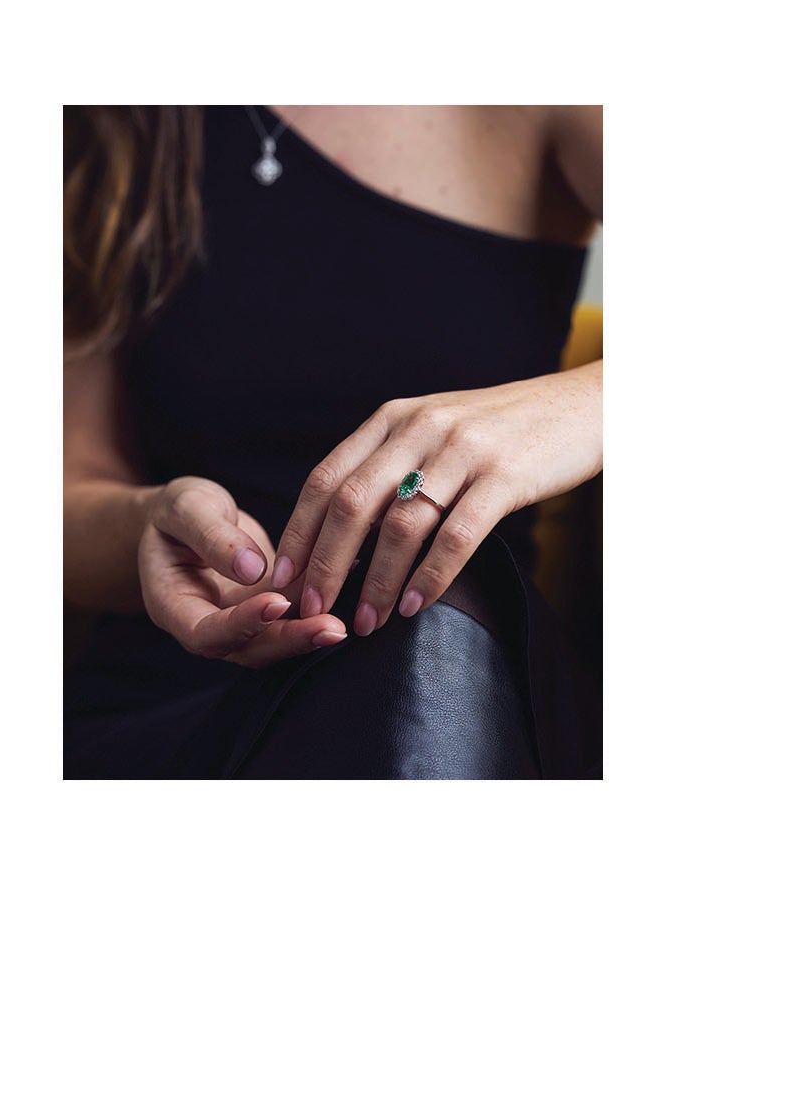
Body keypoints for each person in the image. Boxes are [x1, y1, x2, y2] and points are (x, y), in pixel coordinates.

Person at [63, 105, 600, 780]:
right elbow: (72, 480)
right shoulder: (116, 115)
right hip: (173, 699)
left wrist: (572, 411)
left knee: (429, 648)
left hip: (460, 678)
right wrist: (151, 517)